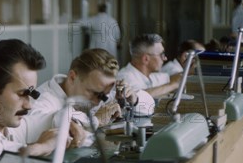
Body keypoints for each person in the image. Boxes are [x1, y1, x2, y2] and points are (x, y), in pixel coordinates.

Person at [18, 48, 155, 147]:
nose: (98, 101)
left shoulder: (100, 91)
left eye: (104, 95)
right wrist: (95, 120)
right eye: (93, 93)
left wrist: (134, 98)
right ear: (73, 77)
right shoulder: (43, 100)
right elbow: (45, 124)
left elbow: (150, 106)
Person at [117, 33, 182, 99]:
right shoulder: (125, 77)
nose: (165, 58)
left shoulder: (150, 75)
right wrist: (173, 85)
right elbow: (137, 97)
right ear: (146, 59)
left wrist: (186, 73)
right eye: (161, 55)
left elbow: (173, 78)